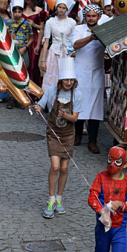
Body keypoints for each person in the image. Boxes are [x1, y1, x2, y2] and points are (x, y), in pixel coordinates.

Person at [32, 58, 84, 219]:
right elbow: (41, 104)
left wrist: (65, 115)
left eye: (71, 80)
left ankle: (60, 199)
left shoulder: (78, 95)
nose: (68, 83)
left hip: (68, 135)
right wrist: (37, 107)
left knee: (64, 168)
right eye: (66, 80)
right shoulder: (51, 91)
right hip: (53, 133)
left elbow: (75, 119)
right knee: (55, 166)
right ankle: (51, 200)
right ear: (61, 79)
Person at [71, 4, 106, 153]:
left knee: (96, 107)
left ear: (99, 17)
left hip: (97, 72)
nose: (91, 18)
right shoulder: (78, 29)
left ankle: (92, 141)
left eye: (94, 16)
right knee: (80, 103)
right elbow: (75, 45)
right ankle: (78, 135)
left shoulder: (104, 29)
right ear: (85, 17)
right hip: (81, 71)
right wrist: (91, 37)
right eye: (89, 16)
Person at [39, 0, 76, 91]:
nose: (61, 10)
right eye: (59, 7)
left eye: (64, 8)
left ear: (67, 9)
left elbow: (74, 40)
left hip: (68, 53)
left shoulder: (72, 22)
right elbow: (46, 41)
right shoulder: (50, 22)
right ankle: (51, 100)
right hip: (54, 52)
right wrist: (43, 60)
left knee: (67, 76)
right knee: (51, 77)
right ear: (56, 7)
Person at [5, 0, 34, 109]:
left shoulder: (27, 24)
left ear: (22, 12)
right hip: (12, 51)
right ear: (12, 11)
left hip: (23, 50)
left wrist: (25, 48)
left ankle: (21, 97)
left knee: (23, 73)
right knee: (12, 73)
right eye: (15, 11)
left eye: (19, 11)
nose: (17, 13)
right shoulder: (8, 23)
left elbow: (31, 38)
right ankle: (12, 98)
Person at [22, 0, 46, 88]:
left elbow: (42, 28)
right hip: (22, 40)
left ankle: (34, 91)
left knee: (33, 66)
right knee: (23, 67)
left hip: (34, 40)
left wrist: (34, 25)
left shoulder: (39, 10)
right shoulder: (19, 10)